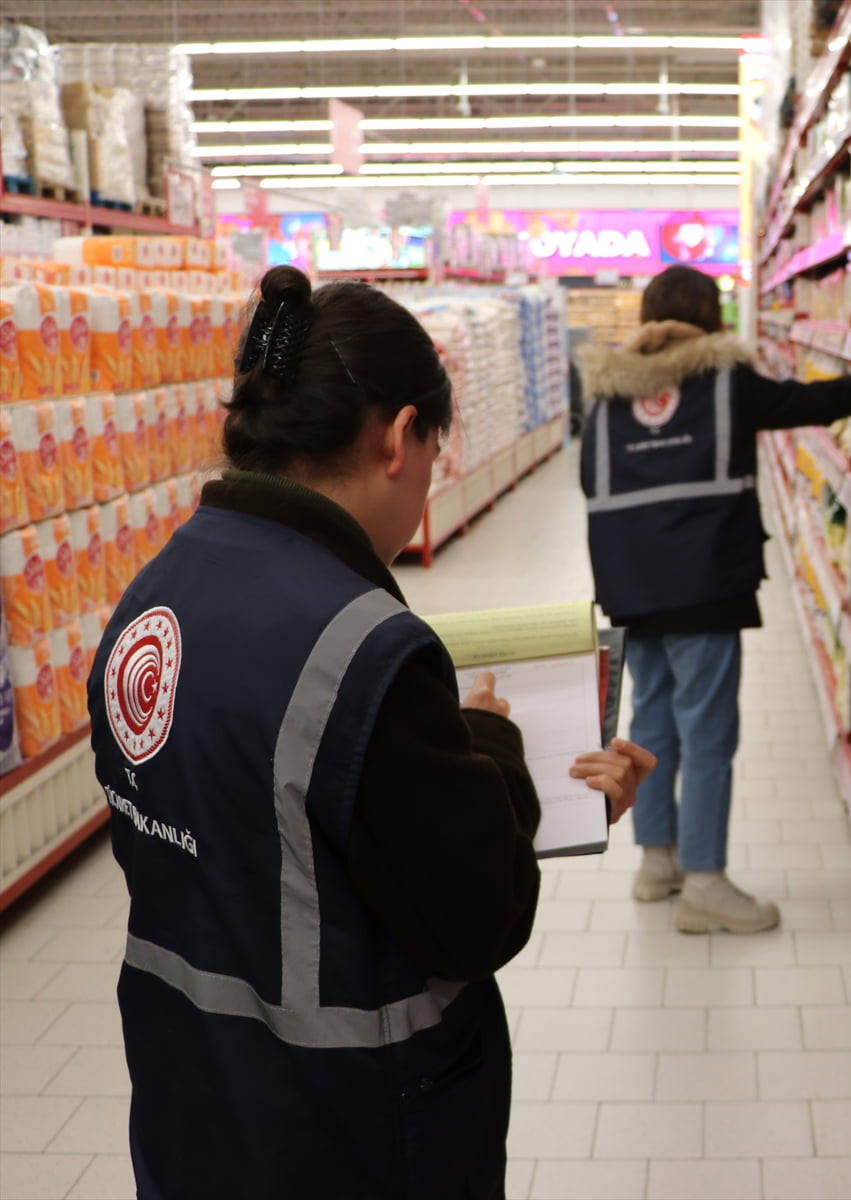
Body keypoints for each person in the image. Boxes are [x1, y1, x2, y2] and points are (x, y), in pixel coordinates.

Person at [86, 265, 655, 1200]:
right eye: (436, 447)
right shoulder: (364, 650)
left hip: (193, 1091)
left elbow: (276, 833)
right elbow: (476, 919)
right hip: (348, 1128)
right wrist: (493, 748)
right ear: (399, 437)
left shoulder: (158, 594)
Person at [578, 265, 851, 935]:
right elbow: (808, 404)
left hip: (630, 589)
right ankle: (706, 884)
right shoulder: (723, 385)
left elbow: (590, 487)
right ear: (712, 319)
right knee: (708, 734)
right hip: (702, 584)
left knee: (654, 725)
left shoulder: (604, 400)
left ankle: (656, 863)